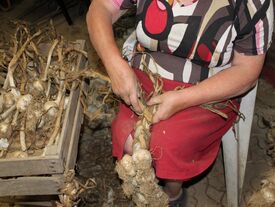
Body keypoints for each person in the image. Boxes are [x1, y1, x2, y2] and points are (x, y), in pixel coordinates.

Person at [86, 0, 273, 206]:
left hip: (208, 87)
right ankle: (149, 187)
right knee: (131, 140)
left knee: (166, 147)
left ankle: (172, 193)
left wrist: (183, 99)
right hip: (150, 71)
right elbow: (100, 8)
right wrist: (113, 63)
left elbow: (247, 70)